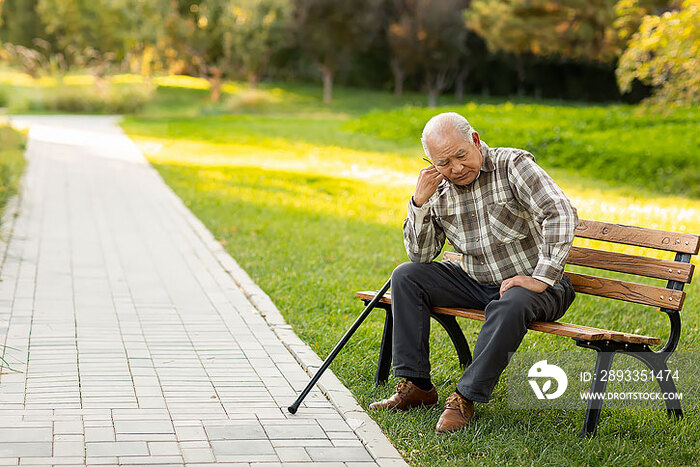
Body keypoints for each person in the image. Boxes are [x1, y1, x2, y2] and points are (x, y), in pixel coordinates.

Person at [369, 112, 578, 434]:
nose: (455, 168)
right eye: (442, 162)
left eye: (461, 155)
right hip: (476, 281)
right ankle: (418, 386)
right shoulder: (437, 189)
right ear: (430, 162)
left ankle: (464, 397)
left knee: (513, 302)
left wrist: (540, 277)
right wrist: (419, 203)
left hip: (537, 287)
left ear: (476, 141)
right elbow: (421, 254)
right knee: (407, 275)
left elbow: (560, 211)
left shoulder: (512, 165)